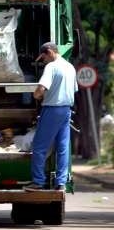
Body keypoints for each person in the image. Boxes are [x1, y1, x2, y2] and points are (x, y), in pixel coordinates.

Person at [23, 42, 77, 192]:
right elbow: (74, 90)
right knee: (63, 147)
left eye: (44, 58)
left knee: (39, 147)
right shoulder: (70, 67)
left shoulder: (51, 67)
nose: (44, 61)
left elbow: (41, 89)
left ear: (49, 52)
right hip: (66, 110)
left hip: (52, 110)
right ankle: (61, 184)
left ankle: (38, 181)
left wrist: (35, 96)